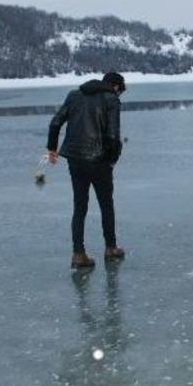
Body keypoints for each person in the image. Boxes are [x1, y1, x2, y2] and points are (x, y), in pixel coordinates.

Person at [47, 72, 126, 269]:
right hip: (99, 161)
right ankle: (110, 247)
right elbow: (113, 136)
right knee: (106, 204)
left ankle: (78, 254)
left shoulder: (74, 95)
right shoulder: (111, 100)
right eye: (120, 90)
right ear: (116, 86)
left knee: (79, 206)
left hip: (75, 159)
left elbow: (55, 122)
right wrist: (112, 160)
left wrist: (52, 149)